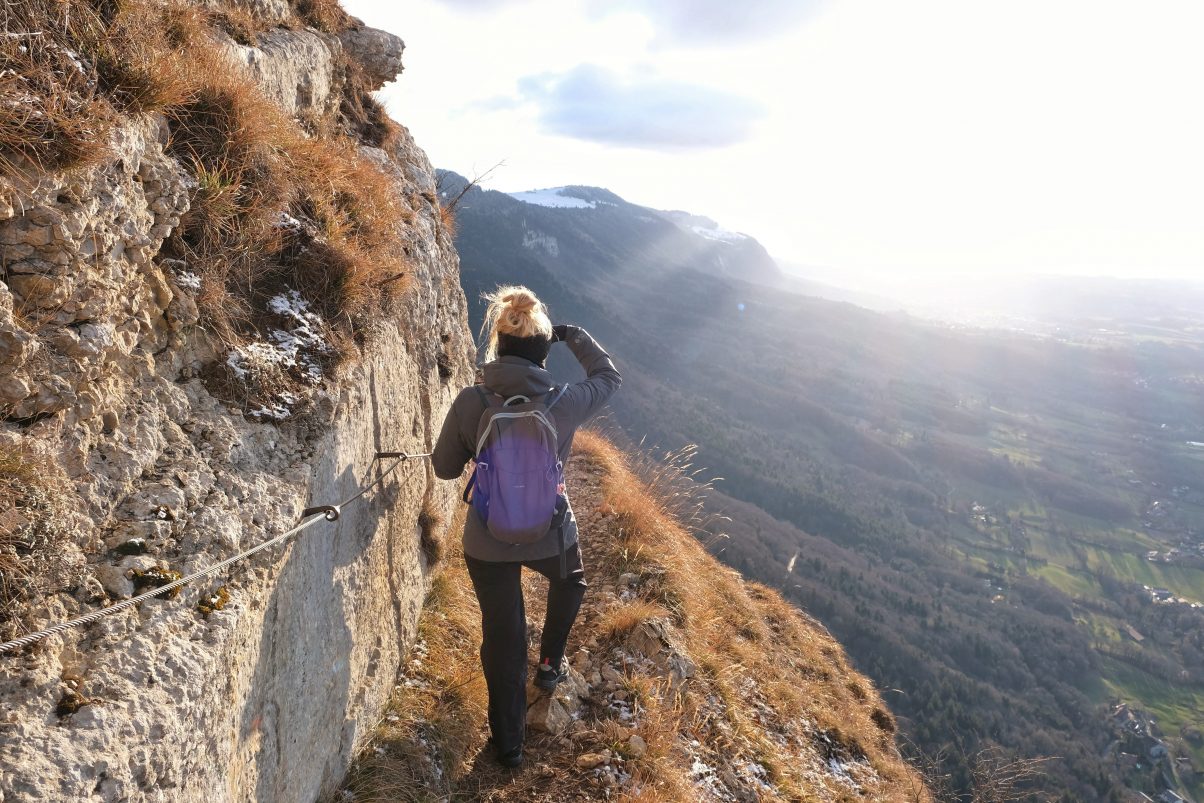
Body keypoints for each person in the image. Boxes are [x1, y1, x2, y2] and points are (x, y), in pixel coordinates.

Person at [432, 285, 622, 769]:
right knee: (571, 581)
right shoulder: (565, 400)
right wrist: (573, 335)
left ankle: (509, 744)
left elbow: (445, 469)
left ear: (497, 343)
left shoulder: (472, 400)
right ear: (541, 350)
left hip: (486, 537)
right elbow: (608, 375)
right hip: (549, 532)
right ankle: (550, 663)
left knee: (503, 637)